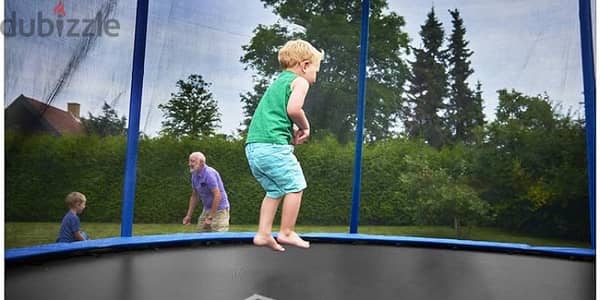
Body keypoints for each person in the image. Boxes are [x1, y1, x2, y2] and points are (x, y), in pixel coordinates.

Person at [245, 39, 324, 251]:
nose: (315, 76)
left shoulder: (279, 81)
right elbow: (294, 109)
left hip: (253, 147)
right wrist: (305, 127)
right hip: (272, 146)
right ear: (305, 65)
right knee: (296, 184)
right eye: (316, 70)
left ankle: (263, 233)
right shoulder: (300, 81)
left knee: (275, 189)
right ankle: (287, 231)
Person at [183, 151, 230, 232]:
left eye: (193, 161)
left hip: (220, 210)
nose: (189, 164)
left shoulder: (209, 174)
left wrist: (210, 217)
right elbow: (195, 195)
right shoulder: (194, 175)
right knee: (200, 234)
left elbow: (217, 195)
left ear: (201, 162)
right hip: (207, 209)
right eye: (189, 161)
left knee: (218, 235)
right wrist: (188, 216)